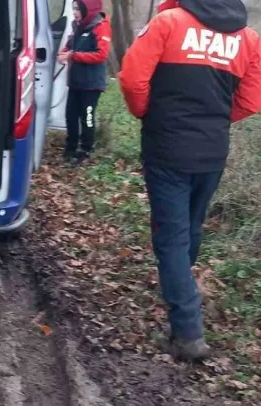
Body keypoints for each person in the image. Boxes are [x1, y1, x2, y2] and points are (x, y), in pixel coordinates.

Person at [118, 0, 261, 361]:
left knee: (171, 238)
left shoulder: (168, 23)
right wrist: (214, 121)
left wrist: (147, 113)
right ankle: (180, 287)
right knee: (191, 228)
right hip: (212, 152)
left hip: (168, 149)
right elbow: (251, 100)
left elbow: (132, 79)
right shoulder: (248, 38)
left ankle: (187, 333)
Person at [56, 0, 112, 165]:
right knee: (70, 116)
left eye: (77, 9)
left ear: (88, 9)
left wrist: (73, 56)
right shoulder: (77, 26)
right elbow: (69, 47)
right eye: (73, 8)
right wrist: (63, 55)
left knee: (86, 117)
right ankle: (70, 148)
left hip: (92, 84)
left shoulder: (101, 26)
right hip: (75, 82)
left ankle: (86, 149)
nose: (74, 12)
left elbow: (101, 55)